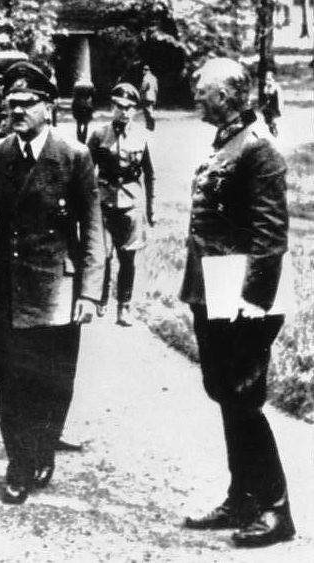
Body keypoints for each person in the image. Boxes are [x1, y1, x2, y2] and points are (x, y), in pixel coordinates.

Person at [0, 60, 104, 505]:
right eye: (13, 103)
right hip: (8, 285)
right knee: (13, 378)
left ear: (49, 107)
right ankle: (19, 463)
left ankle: (44, 449)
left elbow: (93, 228)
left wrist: (88, 291)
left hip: (57, 287)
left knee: (55, 378)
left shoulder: (74, 156)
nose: (19, 110)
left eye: (28, 103)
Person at [180, 57, 295, 548]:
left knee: (244, 399)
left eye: (201, 90)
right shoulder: (229, 140)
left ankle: (276, 510)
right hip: (215, 286)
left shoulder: (260, 149)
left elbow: (271, 236)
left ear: (225, 97)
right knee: (226, 393)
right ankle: (241, 497)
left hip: (243, 294)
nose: (194, 95)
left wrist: (254, 301)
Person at [87, 83, 155, 326]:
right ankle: (101, 299)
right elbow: (86, 172)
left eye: (129, 108)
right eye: (119, 106)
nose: (124, 112)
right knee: (102, 255)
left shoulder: (143, 137)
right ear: (112, 107)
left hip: (131, 203)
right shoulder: (98, 135)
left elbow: (150, 174)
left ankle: (123, 307)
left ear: (135, 110)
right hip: (103, 202)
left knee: (128, 259)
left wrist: (151, 208)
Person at [71, 78, 95, 144]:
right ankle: (83, 139)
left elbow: (74, 96)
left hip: (78, 105)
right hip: (87, 105)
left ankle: (79, 139)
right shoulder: (90, 85)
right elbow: (93, 95)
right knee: (86, 124)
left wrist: (73, 109)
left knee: (78, 124)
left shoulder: (76, 85)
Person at [261, 70, 284, 137]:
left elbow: (279, 99)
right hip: (269, 108)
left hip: (276, 107)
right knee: (267, 117)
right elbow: (266, 98)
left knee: (269, 116)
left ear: (273, 79)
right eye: (266, 79)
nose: (267, 81)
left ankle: (274, 131)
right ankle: (272, 131)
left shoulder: (275, 87)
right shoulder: (266, 87)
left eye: (269, 79)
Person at [140, 64, 158, 131]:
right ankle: (152, 125)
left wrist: (141, 93)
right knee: (150, 110)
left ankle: (149, 126)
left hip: (146, 97)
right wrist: (155, 97)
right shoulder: (154, 78)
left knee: (146, 113)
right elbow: (156, 89)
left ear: (146, 70)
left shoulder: (146, 77)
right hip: (153, 97)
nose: (143, 71)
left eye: (144, 70)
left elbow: (144, 87)